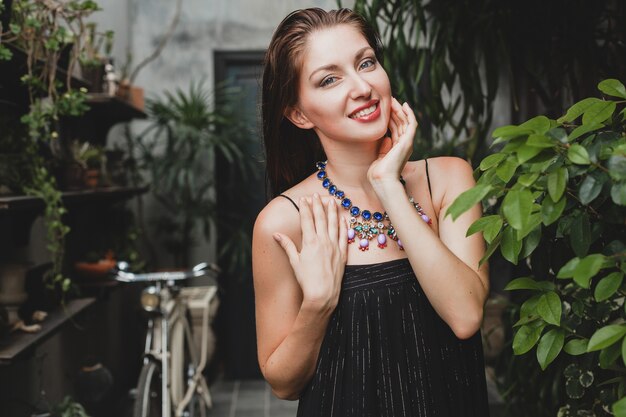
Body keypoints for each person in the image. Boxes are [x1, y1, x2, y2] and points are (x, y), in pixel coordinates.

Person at [252, 7, 491, 417]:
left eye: (366, 63)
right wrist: (318, 304)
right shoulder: (284, 220)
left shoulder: (449, 179)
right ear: (299, 113)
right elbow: (282, 383)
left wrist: (388, 185)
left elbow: (465, 315)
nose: (362, 86)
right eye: (329, 79)